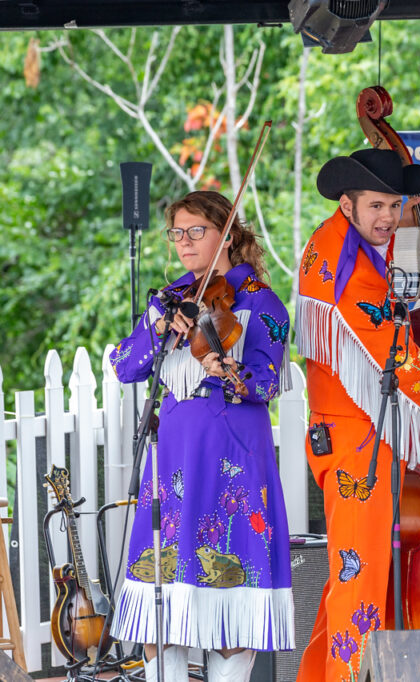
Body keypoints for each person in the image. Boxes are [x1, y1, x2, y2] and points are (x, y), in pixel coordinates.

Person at [293, 148, 420, 681]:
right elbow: (388, 343)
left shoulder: (343, 240)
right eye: (377, 205)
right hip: (355, 436)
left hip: (353, 430)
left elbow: (400, 311)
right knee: (361, 583)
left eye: (394, 205)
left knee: (351, 576)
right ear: (347, 201)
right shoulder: (345, 260)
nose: (387, 217)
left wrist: (405, 220)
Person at [108, 190, 294, 682]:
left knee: (230, 600)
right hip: (173, 460)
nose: (184, 243)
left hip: (233, 456)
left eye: (197, 232)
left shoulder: (262, 303)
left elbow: (267, 383)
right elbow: (125, 367)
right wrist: (160, 329)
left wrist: (226, 368)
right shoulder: (169, 300)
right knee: (160, 602)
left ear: (227, 236)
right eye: (177, 233)